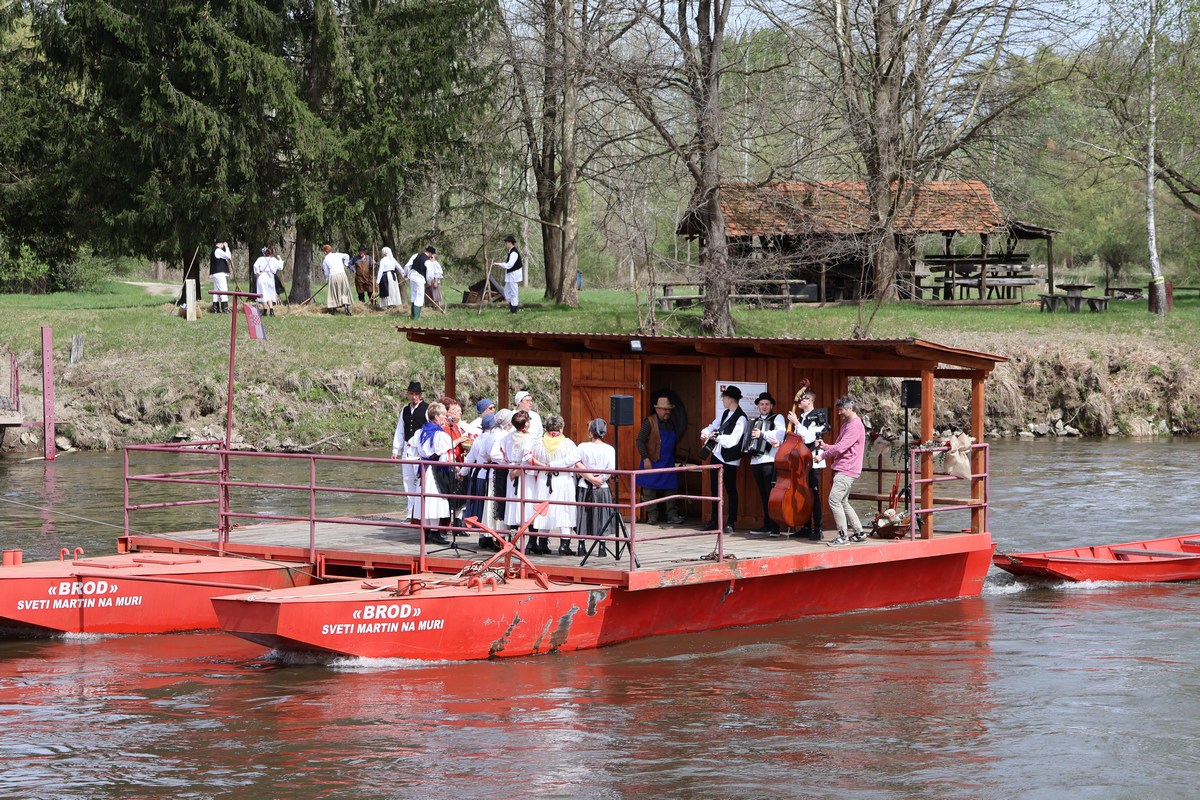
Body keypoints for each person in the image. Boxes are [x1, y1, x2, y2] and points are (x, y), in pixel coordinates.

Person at [530, 414, 583, 556]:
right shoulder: (568, 444)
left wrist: (548, 465)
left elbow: (532, 458)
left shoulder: (538, 443)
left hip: (543, 479)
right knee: (565, 510)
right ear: (561, 427)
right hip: (563, 479)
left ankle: (542, 543)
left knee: (543, 510)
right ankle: (564, 545)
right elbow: (574, 460)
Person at [819, 396, 867, 546]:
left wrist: (822, 456)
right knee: (843, 501)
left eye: (841, 410)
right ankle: (859, 532)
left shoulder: (854, 426)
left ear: (850, 409)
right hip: (844, 467)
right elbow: (840, 445)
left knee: (834, 500)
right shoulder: (847, 425)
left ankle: (843, 536)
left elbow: (840, 448)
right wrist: (826, 446)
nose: (839, 413)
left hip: (847, 469)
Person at [700, 385, 747, 533]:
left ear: (731, 399)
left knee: (730, 489)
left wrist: (717, 437)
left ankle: (731, 522)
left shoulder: (741, 418)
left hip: (730, 459)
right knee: (714, 488)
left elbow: (733, 440)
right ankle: (715, 520)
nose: (723, 400)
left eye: (724, 397)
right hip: (717, 455)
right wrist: (705, 433)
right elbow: (712, 426)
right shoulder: (725, 413)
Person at [500, 409, 545, 554]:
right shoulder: (529, 439)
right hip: (526, 473)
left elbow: (502, 453)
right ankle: (530, 542)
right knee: (529, 504)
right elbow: (527, 457)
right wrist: (544, 466)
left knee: (514, 504)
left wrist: (511, 466)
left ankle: (513, 541)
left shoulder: (508, 437)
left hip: (513, 470)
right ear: (525, 425)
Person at [635, 396, 684, 525]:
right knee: (649, 489)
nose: (668, 412)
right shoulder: (649, 422)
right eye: (665, 410)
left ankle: (672, 515)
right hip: (652, 461)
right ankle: (652, 516)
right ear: (658, 409)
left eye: (669, 410)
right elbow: (639, 441)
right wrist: (645, 458)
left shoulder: (670, 422)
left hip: (668, 461)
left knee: (671, 488)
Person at [786, 390, 827, 541]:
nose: (799, 402)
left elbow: (810, 437)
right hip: (800, 460)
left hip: (813, 461)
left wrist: (796, 423)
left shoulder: (818, 416)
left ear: (809, 401)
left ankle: (818, 528)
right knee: (801, 493)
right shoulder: (801, 417)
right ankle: (805, 526)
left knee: (814, 494)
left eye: (802, 399)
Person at [411, 402, 453, 545]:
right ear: (435, 417)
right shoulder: (439, 434)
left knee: (427, 499)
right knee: (435, 499)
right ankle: (434, 532)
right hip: (434, 469)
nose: (445, 418)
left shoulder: (421, 431)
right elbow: (443, 452)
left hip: (424, 468)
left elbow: (414, 449)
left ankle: (427, 531)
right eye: (443, 415)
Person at [747, 391, 786, 536]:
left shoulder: (778, 418)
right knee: (763, 494)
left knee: (771, 494)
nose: (764, 407)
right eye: (762, 404)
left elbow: (781, 433)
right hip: (756, 460)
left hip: (769, 460)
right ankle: (767, 525)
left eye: (767, 404)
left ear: (771, 406)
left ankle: (775, 527)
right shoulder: (753, 421)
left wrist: (762, 434)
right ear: (758, 406)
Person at [577, 418, 616, 557]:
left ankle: (581, 546)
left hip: (585, 484)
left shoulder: (582, 447)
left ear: (590, 431)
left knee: (583, 514)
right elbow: (611, 468)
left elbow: (577, 463)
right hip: (602, 485)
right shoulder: (609, 449)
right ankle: (602, 548)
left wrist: (590, 478)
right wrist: (599, 480)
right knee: (602, 515)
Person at [391, 381, 428, 523]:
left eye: (417, 394)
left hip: (419, 449)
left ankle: (419, 512)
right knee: (407, 480)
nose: (414, 397)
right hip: (407, 448)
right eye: (412, 394)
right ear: (408, 394)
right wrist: (396, 449)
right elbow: (400, 429)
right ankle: (410, 511)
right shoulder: (405, 410)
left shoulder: (426, 409)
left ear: (420, 395)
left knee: (419, 480)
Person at [463, 411, 498, 549]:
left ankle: (482, 537)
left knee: (480, 506)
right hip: (487, 475)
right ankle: (490, 537)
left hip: (477, 475)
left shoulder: (478, 439)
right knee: (488, 506)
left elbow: (470, 459)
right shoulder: (492, 439)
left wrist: (463, 472)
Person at [487, 408, 514, 537]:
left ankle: (494, 534)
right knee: (498, 503)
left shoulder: (494, 434)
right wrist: (508, 461)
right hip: (499, 472)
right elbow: (494, 454)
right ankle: (499, 534)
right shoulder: (502, 436)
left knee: (495, 503)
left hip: (496, 471)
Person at [402, 246, 435, 319]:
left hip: (412, 276)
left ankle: (413, 315)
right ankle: (416, 317)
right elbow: (430, 274)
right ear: (430, 253)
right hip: (419, 278)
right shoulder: (428, 261)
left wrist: (405, 274)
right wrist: (429, 282)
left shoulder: (416, 255)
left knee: (414, 295)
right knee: (419, 296)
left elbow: (407, 266)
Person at [320, 244, 354, 315]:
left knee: (334, 292)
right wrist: (346, 264)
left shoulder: (325, 260)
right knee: (344, 291)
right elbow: (347, 256)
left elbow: (326, 272)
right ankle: (346, 308)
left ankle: (334, 310)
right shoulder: (338, 255)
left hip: (333, 276)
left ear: (325, 252)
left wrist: (328, 278)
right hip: (342, 274)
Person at [493, 234, 522, 314]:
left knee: (514, 293)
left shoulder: (514, 253)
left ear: (510, 243)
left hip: (514, 276)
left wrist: (499, 264)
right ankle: (511, 307)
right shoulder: (510, 252)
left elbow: (509, 265)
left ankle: (513, 310)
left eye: (506, 242)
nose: (506, 244)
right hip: (510, 276)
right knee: (506, 292)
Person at [253, 247, 279, 316]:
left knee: (263, 293)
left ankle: (265, 311)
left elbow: (255, 265)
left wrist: (257, 272)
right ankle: (271, 310)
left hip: (262, 276)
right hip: (270, 277)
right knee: (269, 293)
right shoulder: (273, 260)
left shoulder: (261, 259)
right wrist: (280, 259)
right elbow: (280, 266)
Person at [209, 240, 232, 314]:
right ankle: (225, 308)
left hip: (215, 273)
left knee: (216, 291)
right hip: (219, 273)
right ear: (221, 244)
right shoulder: (218, 250)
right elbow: (228, 256)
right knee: (223, 290)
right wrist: (227, 247)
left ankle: (215, 309)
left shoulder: (214, 251)